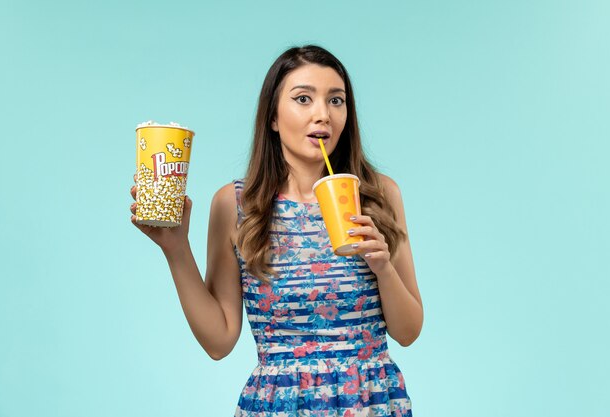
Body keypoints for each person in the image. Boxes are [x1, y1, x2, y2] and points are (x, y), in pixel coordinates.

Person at [130, 45, 423, 417]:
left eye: (336, 101)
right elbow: (219, 340)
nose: (323, 114)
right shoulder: (236, 205)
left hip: (371, 402)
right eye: (303, 98)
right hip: (278, 406)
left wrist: (382, 266)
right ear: (272, 116)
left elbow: (409, 331)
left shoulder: (379, 196)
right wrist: (175, 248)